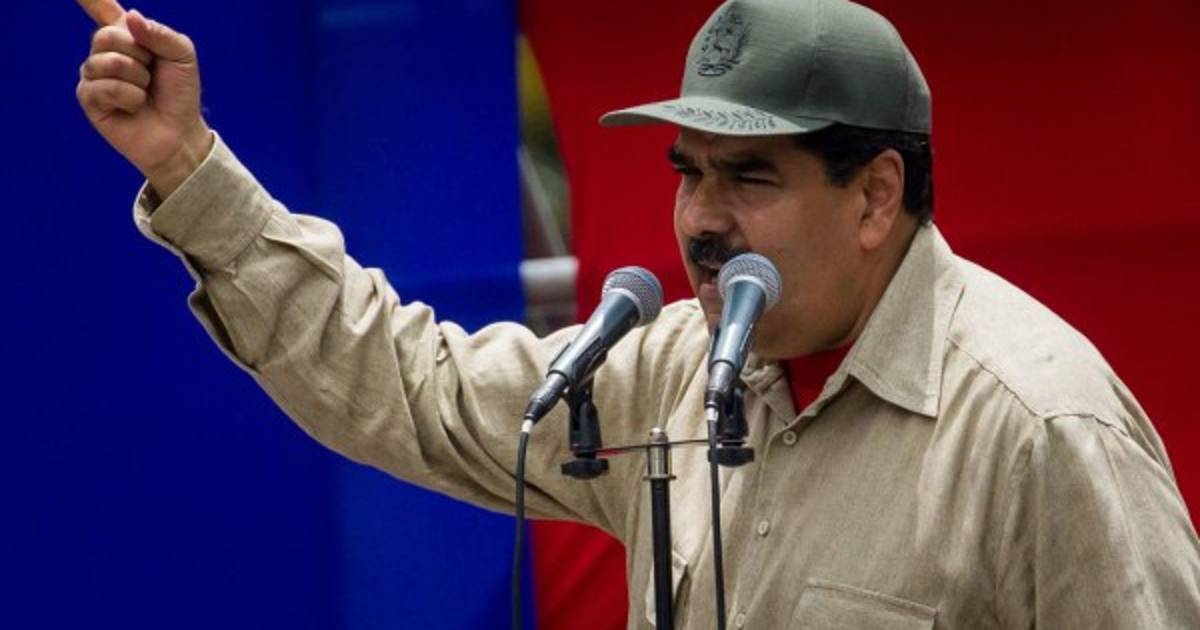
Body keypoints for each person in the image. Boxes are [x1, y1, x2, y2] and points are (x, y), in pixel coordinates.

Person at [77, 0, 1200, 627]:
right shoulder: (670, 366)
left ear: (874, 196)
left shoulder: (1037, 427)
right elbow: (414, 388)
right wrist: (189, 166)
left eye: (748, 177)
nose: (700, 221)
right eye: (685, 172)